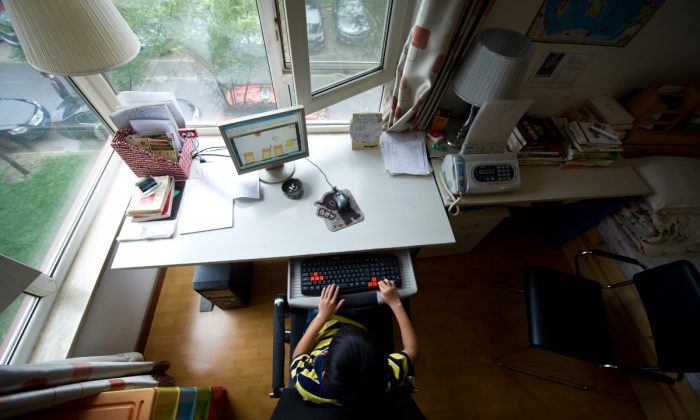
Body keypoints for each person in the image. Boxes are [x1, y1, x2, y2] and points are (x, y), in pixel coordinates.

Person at [290, 280, 418, 406]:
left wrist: (322, 316)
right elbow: (411, 349)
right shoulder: (381, 379)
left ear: (324, 376)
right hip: (358, 320)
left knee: (316, 286)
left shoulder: (307, 383)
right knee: (362, 287)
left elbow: (298, 355)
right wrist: (396, 304)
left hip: (322, 321)